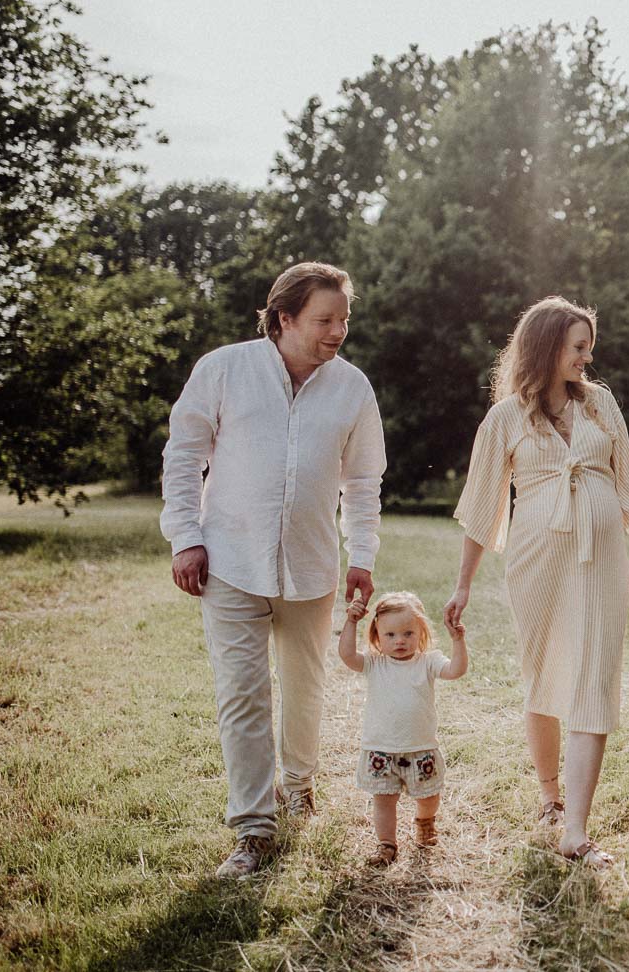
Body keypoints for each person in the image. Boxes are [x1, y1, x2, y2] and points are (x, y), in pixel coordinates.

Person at [160, 261, 386, 879]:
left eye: (344, 318)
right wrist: (186, 537)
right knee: (242, 695)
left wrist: (361, 554)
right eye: (324, 320)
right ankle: (253, 829)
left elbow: (363, 481)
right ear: (283, 318)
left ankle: (300, 784)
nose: (338, 331)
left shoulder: (352, 388)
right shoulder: (223, 369)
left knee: (306, 688)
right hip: (228, 561)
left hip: (312, 568)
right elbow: (183, 457)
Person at [444, 296, 629, 867]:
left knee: (594, 675)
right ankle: (550, 796)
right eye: (577, 346)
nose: (587, 356)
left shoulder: (602, 405)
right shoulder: (504, 418)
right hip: (536, 560)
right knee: (543, 671)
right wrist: (463, 585)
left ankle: (576, 828)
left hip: (601, 562)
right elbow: (481, 506)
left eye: (588, 345)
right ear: (546, 348)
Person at [339, 590, 468, 866]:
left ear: (420, 632)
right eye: (390, 635)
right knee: (384, 800)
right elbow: (348, 656)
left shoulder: (428, 661)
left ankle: (425, 820)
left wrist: (458, 640)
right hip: (380, 750)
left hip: (420, 748)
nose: (399, 641)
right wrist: (351, 622)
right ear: (377, 636)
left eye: (408, 633)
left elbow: (456, 670)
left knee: (429, 796)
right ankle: (386, 843)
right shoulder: (375, 662)